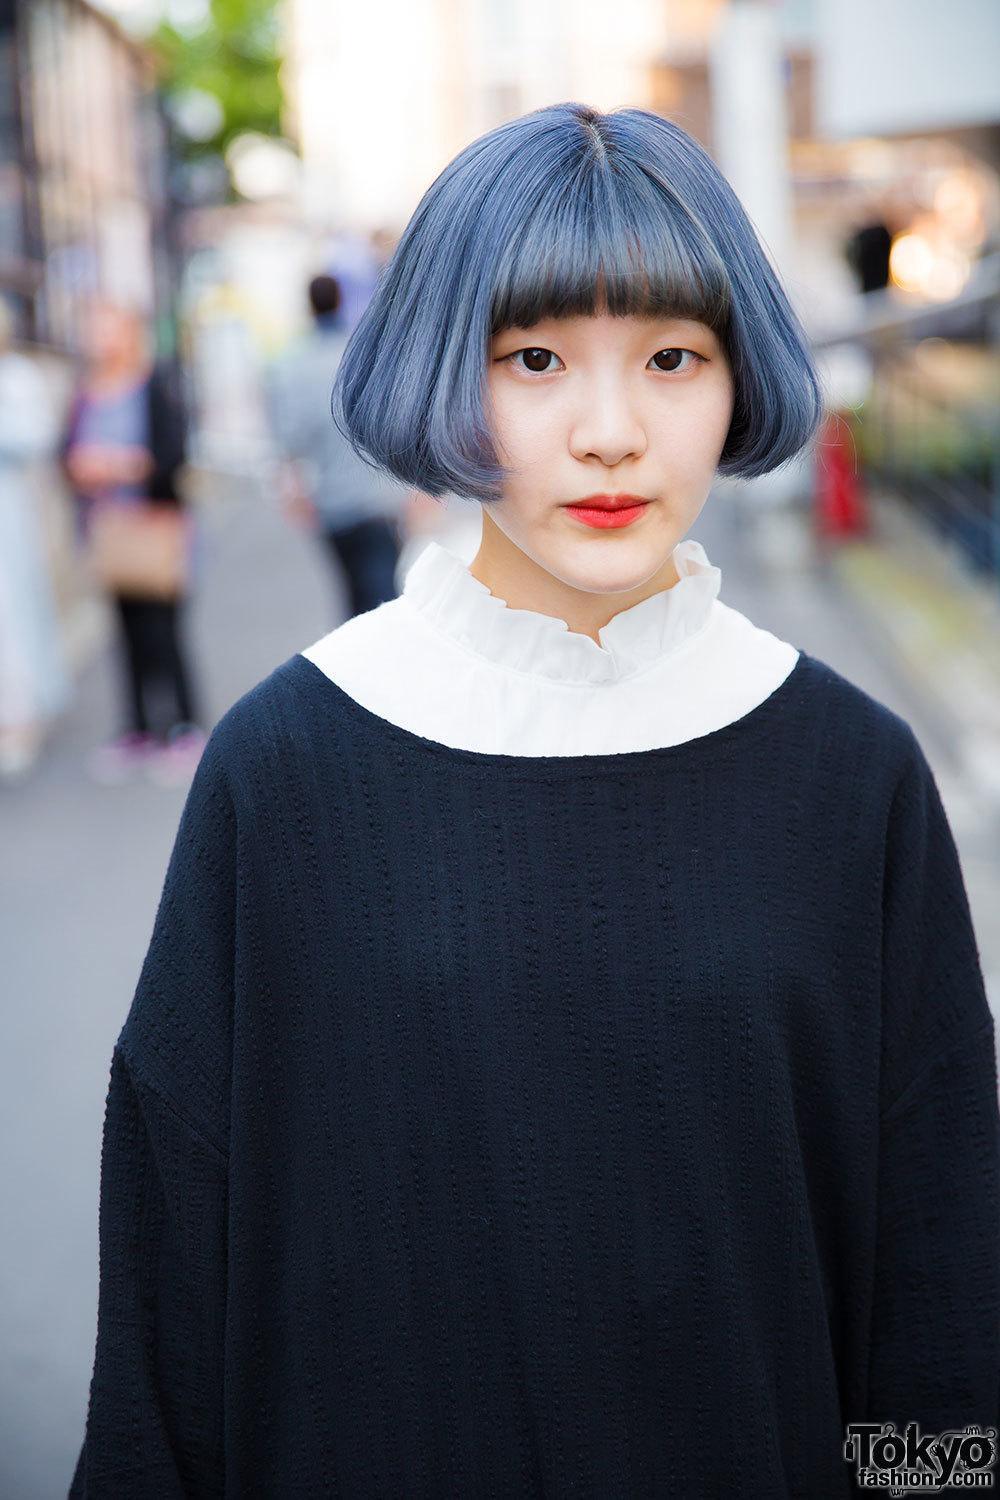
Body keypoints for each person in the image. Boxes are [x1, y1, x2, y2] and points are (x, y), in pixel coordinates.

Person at [70, 104, 999, 1497]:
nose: (611, 432)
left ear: (740, 380)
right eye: (537, 358)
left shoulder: (848, 772)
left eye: (674, 358)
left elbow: (938, 1267)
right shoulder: (287, 768)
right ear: (449, 372)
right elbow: (172, 1267)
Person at [60, 298, 205, 785]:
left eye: (108, 329)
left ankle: (183, 726)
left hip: (154, 527)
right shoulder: (85, 393)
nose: (99, 339)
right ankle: (139, 727)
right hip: (109, 530)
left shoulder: (152, 386)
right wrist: (82, 466)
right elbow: (66, 454)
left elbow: (172, 455)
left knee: (163, 629)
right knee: (123, 632)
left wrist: (118, 464)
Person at [263, 273, 405, 618]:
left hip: (329, 500)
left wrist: (293, 491)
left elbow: (288, 439)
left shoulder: (290, 365)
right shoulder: (365, 354)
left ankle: (355, 666)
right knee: (384, 596)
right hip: (377, 497)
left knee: (353, 594)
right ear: (340, 300)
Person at [0, 296, 71, 779]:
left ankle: (19, 720)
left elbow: (39, 436)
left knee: (13, 616)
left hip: (9, 512)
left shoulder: (18, 376)